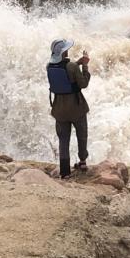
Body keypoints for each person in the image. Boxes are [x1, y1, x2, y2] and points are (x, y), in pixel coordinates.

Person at [47, 39, 91, 179]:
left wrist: (77, 63)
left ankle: (64, 171)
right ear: (63, 52)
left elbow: (66, 74)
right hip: (76, 107)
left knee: (63, 139)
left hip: (59, 108)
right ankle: (82, 162)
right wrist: (84, 66)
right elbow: (83, 84)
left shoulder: (49, 66)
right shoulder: (72, 66)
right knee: (81, 135)